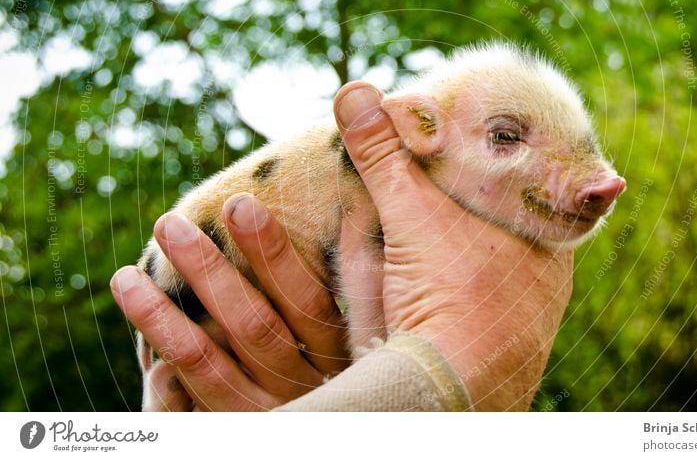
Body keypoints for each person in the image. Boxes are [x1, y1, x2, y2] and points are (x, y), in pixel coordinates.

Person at [110, 82, 574, 411]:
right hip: (189, 284)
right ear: (423, 124)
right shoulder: (389, 179)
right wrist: (427, 375)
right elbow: (365, 270)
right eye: (505, 137)